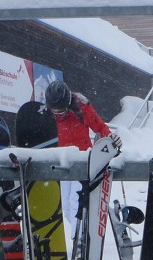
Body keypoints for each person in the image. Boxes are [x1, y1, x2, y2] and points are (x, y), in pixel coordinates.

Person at [46, 79, 121, 228]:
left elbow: (99, 126)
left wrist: (110, 138)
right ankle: (77, 234)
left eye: (61, 110)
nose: (58, 114)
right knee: (65, 204)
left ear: (67, 103)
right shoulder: (47, 113)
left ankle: (79, 238)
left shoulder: (80, 107)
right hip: (63, 160)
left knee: (76, 201)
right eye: (55, 111)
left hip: (82, 159)